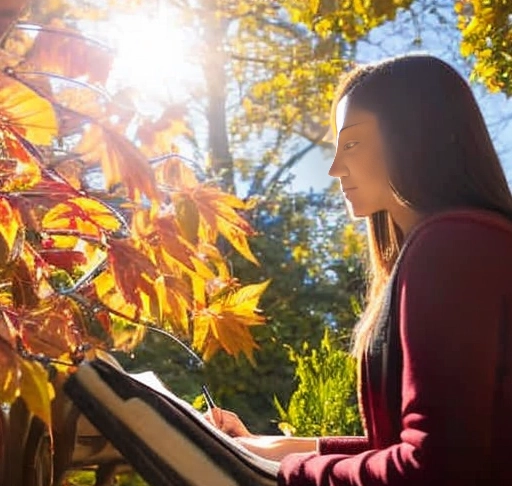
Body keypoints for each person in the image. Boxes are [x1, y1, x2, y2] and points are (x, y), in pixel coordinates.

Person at [206, 54, 512, 486]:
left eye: (351, 144)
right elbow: (414, 444)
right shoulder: (471, 241)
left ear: (414, 137)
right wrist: (263, 447)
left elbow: (436, 468)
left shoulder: (451, 247)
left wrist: (284, 473)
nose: (334, 168)